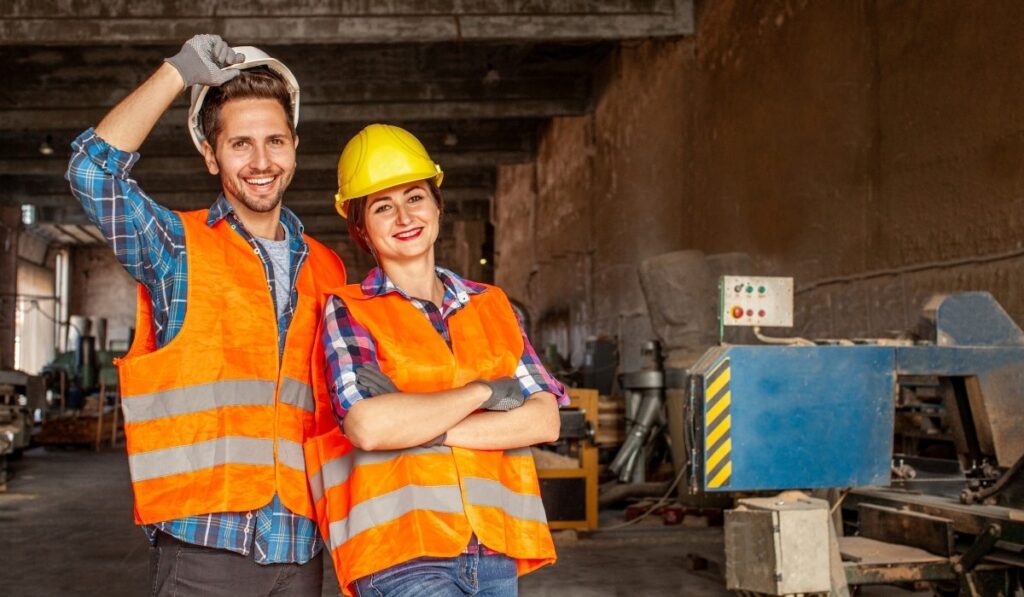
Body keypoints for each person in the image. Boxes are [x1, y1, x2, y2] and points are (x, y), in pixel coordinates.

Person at [65, 34, 346, 595]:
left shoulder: (329, 268)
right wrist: (177, 72)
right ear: (210, 153)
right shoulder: (174, 246)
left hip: (303, 542)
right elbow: (92, 173)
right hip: (204, 546)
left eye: (275, 141)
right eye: (240, 144)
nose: (262, 162)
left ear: (295, 148)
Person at [305, 123, 565, 596]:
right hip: (401, 554)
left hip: (493, 550)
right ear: (361, 228)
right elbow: (370, 428)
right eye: (383, 207)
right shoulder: (349, 309)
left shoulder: (492, 304)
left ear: (438, 206)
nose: (404, 216)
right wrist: (483, 393)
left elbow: (544, 420)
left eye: (415, 197)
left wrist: (424, 422)